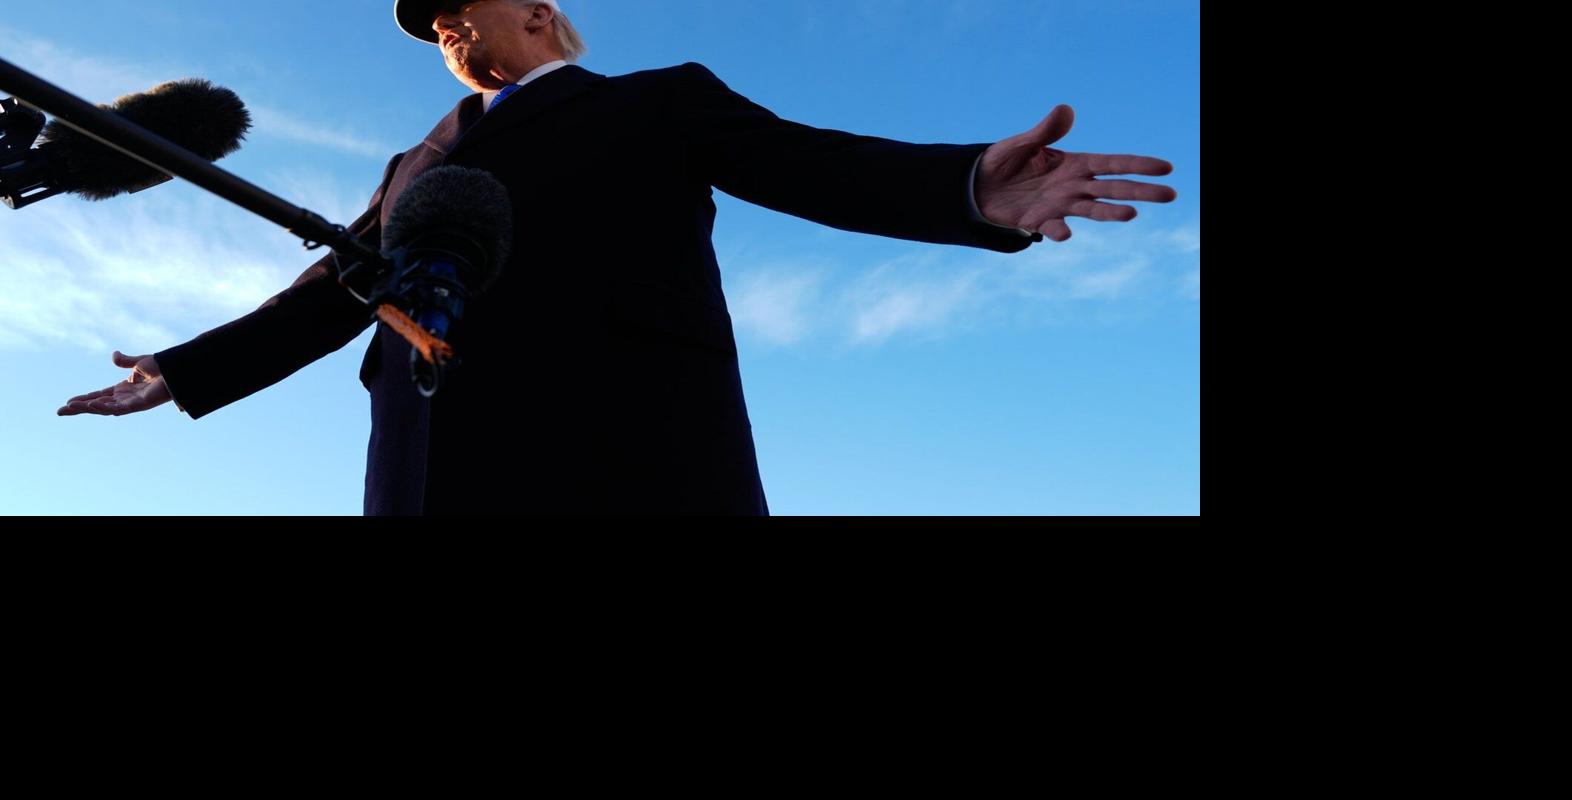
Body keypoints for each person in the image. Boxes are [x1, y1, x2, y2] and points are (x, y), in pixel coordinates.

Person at [57, 0, 1177, 515]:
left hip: (623, 453)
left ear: (539, 14)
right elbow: (331, 289)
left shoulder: (657, 102)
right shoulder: (411, 164)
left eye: (461, 4)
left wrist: (969, 185)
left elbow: (809, 163)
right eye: (433, 24)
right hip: (427, 467)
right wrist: (182, 369)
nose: (446, 25)